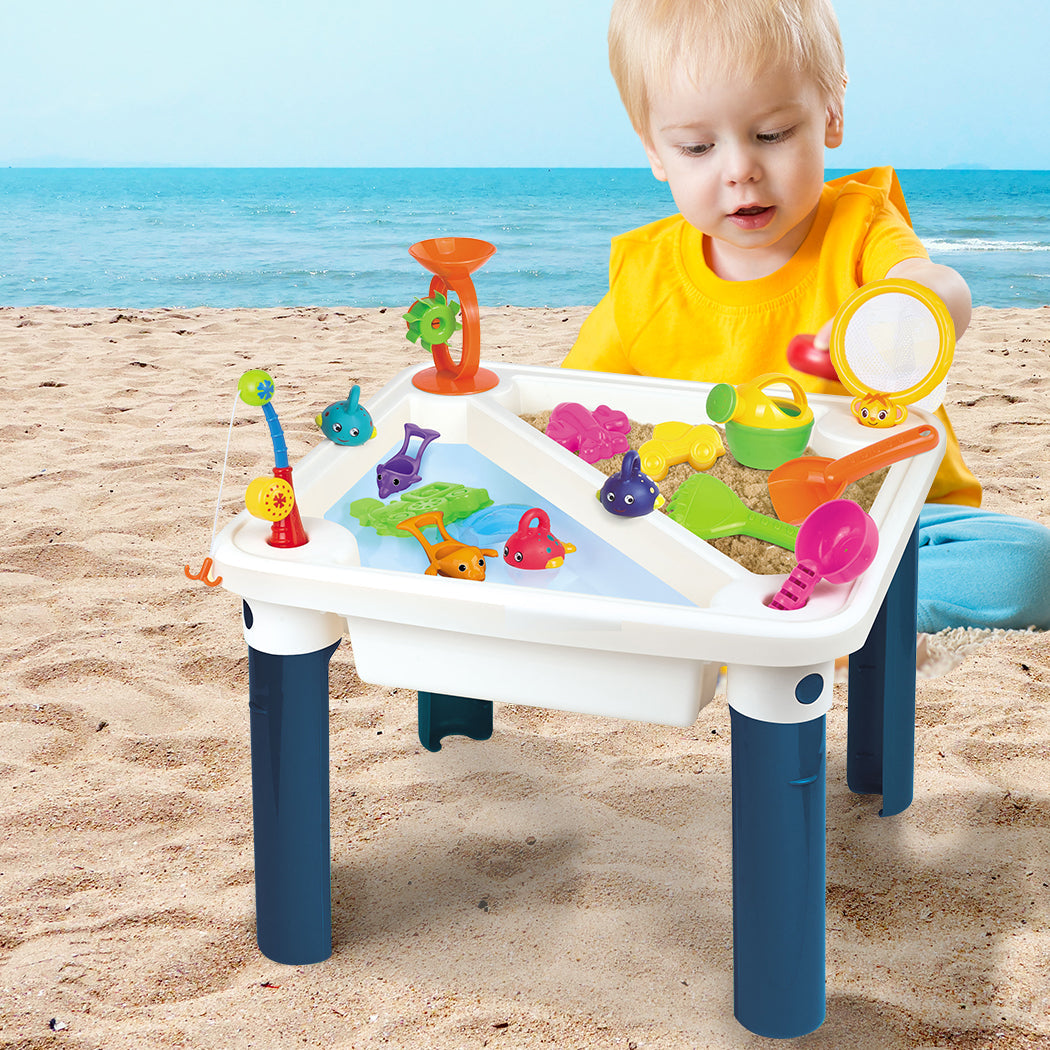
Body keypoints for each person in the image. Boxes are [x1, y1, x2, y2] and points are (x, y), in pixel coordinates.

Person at [562, 0, 1050, 634]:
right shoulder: (645, 280)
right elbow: (575, 413)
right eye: (697, 146)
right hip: (722, 528)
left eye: (772, 134)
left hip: (881, 527)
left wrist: (889, 316)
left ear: (831, 113)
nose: (740, 170)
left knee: (1027, 564)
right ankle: (793, 616)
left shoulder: (861, 228)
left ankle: (839, 621)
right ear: (655, 150)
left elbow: (940, 289)